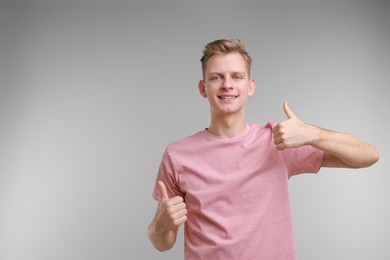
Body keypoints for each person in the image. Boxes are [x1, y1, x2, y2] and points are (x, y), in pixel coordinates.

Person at [147, 39, 379, 259]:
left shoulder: (277, 141)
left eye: (236, 76)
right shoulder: (177, 155)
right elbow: (162, 243)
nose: (227, 84)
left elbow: (367, 156)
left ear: (250, 86)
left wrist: (312, 133)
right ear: (203, 88)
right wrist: (162, 224)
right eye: (216, 77)